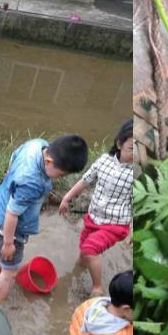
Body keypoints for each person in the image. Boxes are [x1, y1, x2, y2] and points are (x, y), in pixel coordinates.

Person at [0, 134, 89, 301]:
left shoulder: (37, 145)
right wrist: (8, 242)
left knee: (3, 256)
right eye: (61, 174)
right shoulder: (32, 182)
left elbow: (13, 160)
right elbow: (12, 213)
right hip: (7, 226)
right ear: (48, 161)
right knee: (10, 272)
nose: (60, 178)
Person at [59, 120, 134, 296]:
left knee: (90, 249)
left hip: (115, 225)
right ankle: (78, 271)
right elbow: (85, 180)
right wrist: (67, 198)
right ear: (119, 144)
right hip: (93, 219)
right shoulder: (103, 161)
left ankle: (98, 287)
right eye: (132, 148)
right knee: (83, 255)